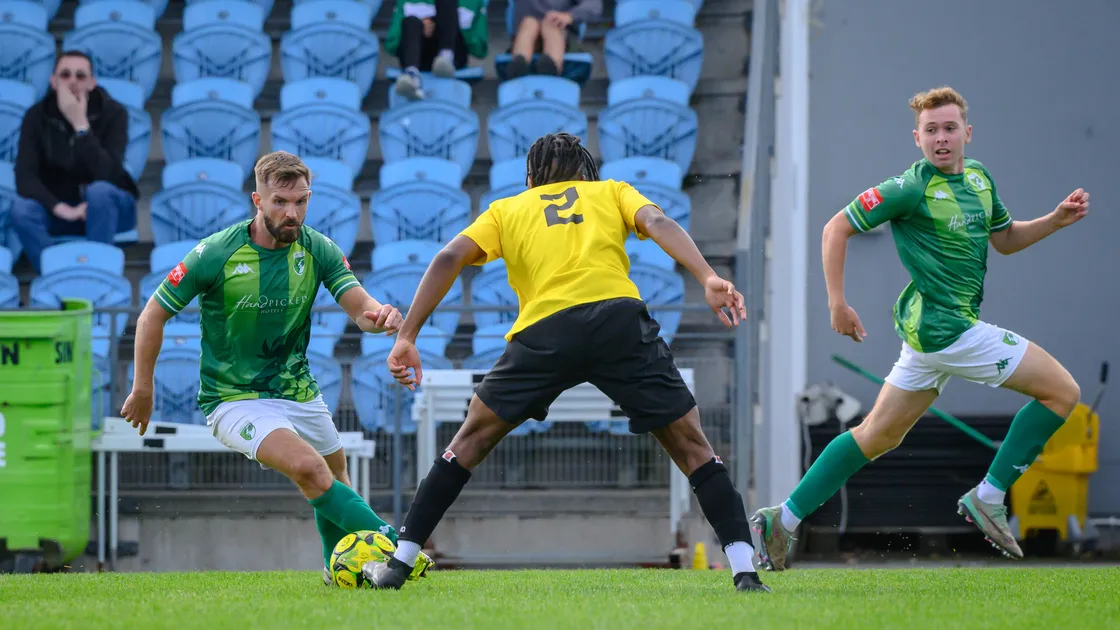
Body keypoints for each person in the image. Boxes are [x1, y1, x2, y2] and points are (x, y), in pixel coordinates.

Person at [361, 132, 770, 593]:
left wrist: (408, 335)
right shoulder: (611, 191)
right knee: (693, 445)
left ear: (531, 177)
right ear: (585, 172)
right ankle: (745, 573)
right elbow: (656, 220)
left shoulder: (508, 209)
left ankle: (398, 565)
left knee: (469, 439)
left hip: (545, 332)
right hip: (618, 322)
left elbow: (450, 255)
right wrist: (708, 276)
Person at [750, 87, 1089, 570]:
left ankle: (780, 520)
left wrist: (1055, 221)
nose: (941, 138)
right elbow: (835, 229)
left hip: (929, 337)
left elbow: (1006, 240)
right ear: (917, 138)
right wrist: (837, 302)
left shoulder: (978, 178)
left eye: (950, 128)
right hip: (948, 332)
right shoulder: (909, 188)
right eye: (931, 130)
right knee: (1062, 392)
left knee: (877, 436)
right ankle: (989, 496)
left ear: (967, 133)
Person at [119, 151, 433, 586]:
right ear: (257, 200)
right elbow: (152, 314)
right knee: (310, 469)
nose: (293, 213)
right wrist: (143, 388)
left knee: (334, 477)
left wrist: (383, 317)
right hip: (234, 399)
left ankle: (333, 570)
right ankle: (397, 551)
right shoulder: (216, 253)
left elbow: (360, 308)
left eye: (301, 201)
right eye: (281, 202)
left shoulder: (317, 247)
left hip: (298, 391)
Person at [12, 50, 138, 273]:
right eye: (65, 75)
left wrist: (80, 125)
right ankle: (56, 274)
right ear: (53, 81)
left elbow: (109, 174)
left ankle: (97, 272)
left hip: (109, 208)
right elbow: (25, 177)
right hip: (59, 210)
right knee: (21, 210)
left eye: (80, 76)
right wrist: (61, 208)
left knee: (99, 192)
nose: (72, 81)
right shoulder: (36, 116)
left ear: (92, 83)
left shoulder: (115, 113)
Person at [385, 0, 488, 101]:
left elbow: (480, 49)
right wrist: (422, 27)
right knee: (411, 21)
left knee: (447, 3)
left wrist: (447, 25)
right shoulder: (405, 1)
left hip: (455, 54)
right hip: (419, 55)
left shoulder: (474, 2)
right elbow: (391, 45)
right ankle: (412, 76)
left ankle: (445, 58)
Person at [506, 0, 601, 79]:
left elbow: (593, 6)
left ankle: (551, 69)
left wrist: (569, 16)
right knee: (529, 23)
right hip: (528, 34)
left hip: (561, 35)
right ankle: (519, 67)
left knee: (551, 24)